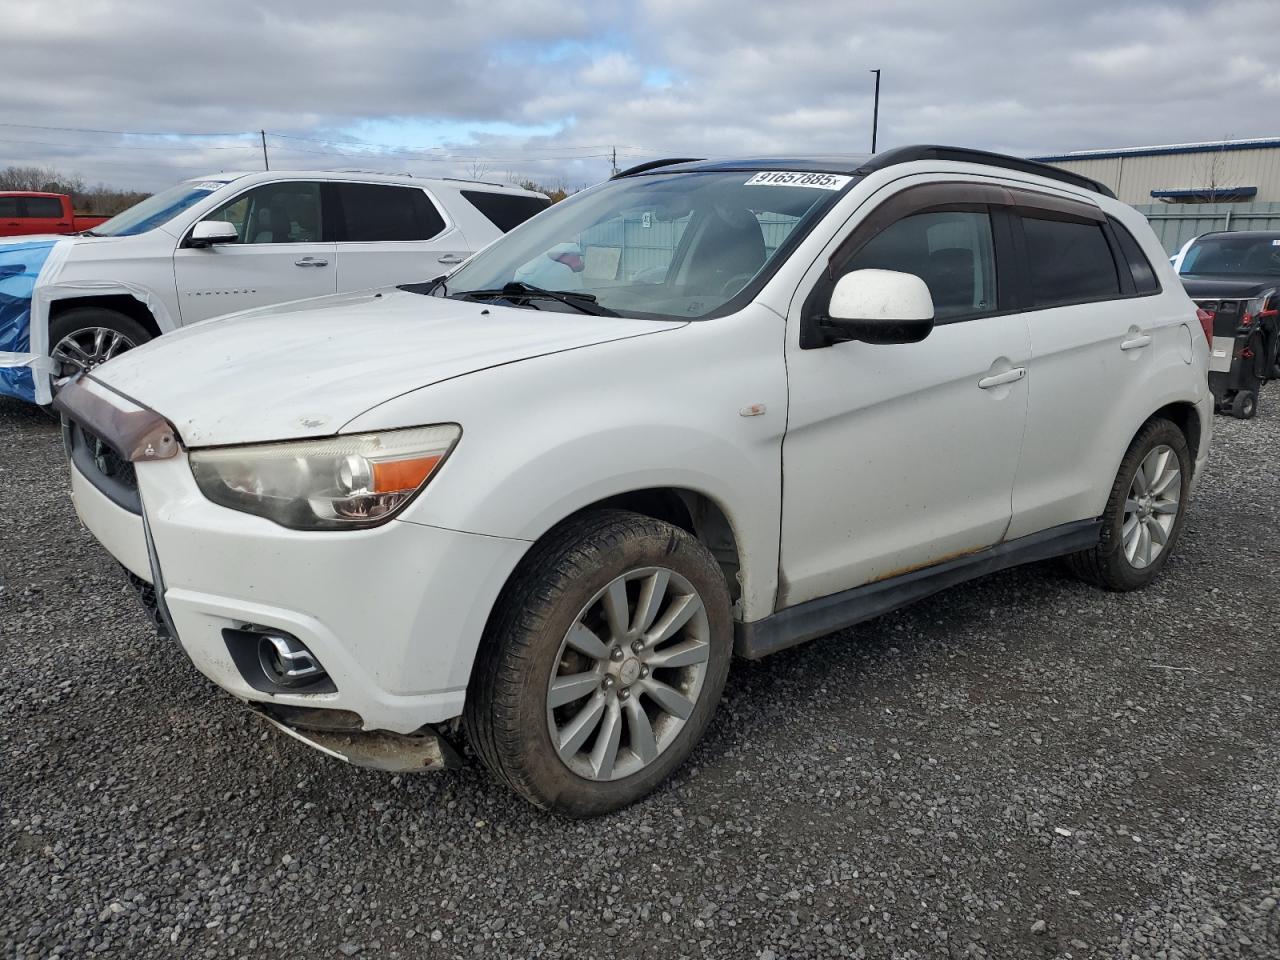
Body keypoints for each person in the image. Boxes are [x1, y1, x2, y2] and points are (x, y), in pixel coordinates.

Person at [513, 241, 585, 290]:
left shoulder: (566, 272)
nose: (578, 260)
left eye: (578, 259)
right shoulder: (531, 265)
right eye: (577, 258)